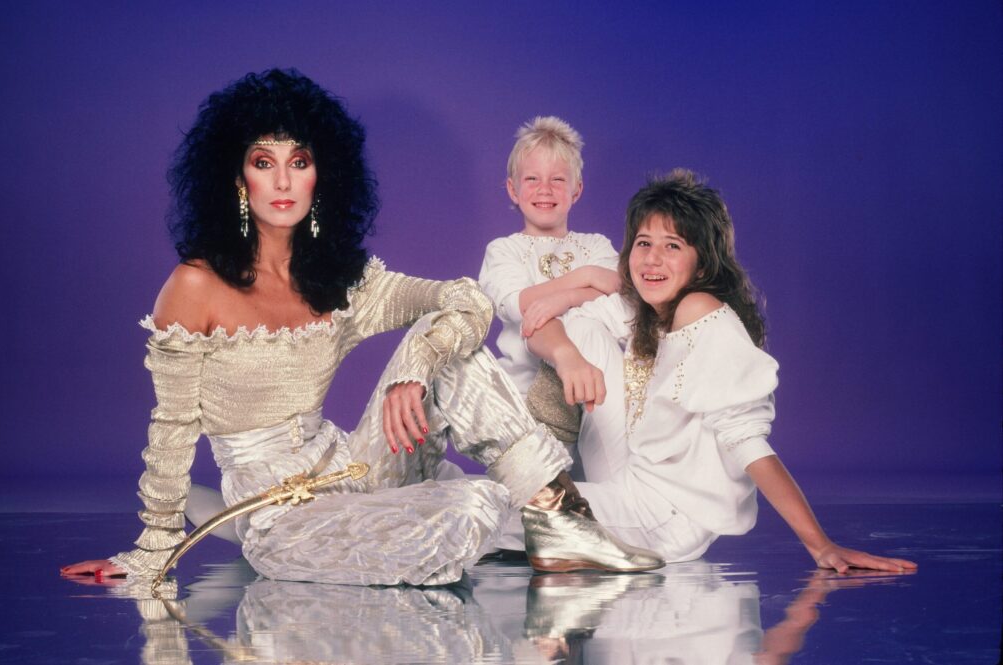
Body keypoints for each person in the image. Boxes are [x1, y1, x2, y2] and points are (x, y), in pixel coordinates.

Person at [60, 70, 662, 586]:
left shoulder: (343, 281)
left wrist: (413, 369)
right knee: (471, 505)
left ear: (321, 177)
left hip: (357, 466)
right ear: (237, 177)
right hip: (279, 515)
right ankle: (461, 519)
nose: (282, 181)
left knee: (451, 355)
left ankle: (564, 523)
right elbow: (171, 429)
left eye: (299, 162)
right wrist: (153, 549)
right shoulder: (196, 286)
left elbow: (466, 299)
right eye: (263, 162)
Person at [525, 170, 918, 573]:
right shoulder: (646, 309)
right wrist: (569, 343)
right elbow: (537, 327)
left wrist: (821, 546)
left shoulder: (702, 312)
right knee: (582, 331)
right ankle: (567, 532)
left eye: (672, 245)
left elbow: (745, 438)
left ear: (701, 264)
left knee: (507, 505)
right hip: (629, 478)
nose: (652, 258)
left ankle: (565, 529)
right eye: (643, 243)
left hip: (663, 516)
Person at [478, 116, 620, 406]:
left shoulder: (595, 245)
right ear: (513, 190)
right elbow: (519, 305)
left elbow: (620, 290)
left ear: (576, 190)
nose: (545, 189)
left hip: (594, 389)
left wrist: (564, 297)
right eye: (532, 179)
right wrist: (585, 278)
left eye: (557, 179)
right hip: (524, 398)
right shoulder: (504, 250)